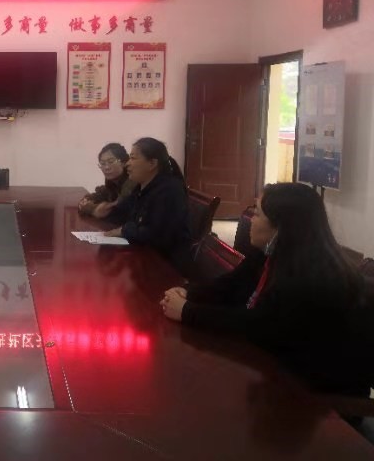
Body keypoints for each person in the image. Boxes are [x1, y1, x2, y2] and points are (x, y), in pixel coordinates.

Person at [160, 182, 374, 396]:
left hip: (320, 397)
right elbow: (230, 284)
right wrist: (188, 292)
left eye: (257, 214)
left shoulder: (311, 277)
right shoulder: (271, 252)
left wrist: (188, 311)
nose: (250, 220)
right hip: (279, 371)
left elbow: (257, 325)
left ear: (281, 228)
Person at [105, 137, 190, 264]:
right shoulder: (143, 187)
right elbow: (123, 211)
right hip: (144, 256)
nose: (127, 164)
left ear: (152, 163)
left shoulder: (169, 190)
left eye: (133, 158)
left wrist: (124, 230)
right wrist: (101, 210)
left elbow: (157, 235)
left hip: (165, 265)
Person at [78, 142, 135, 219]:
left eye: (111, 162)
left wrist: (90, 208)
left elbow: (118, 208)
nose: (106, 167)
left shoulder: (132, 180)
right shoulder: (111, 182)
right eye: (102, 163)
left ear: (123, 162)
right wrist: (87, 201)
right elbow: (102, 194)